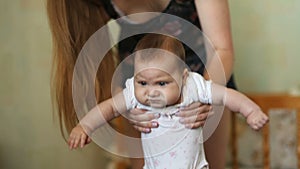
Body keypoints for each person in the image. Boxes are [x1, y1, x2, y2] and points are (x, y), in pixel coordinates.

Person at [47, 0, 235, 168]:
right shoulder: (96, 4)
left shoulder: (199, 87)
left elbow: (221, 48)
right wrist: (125, 102)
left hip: (206, 77)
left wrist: (202, 95)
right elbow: (100, 64)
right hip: (138, 90)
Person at [68, 34, 268, 169]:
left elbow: (225, 95)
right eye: (143, 82)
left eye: (162, 83)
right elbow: (109, 107)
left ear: (183, 76)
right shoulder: (134, 95)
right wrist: (84, 126)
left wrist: (250, 110)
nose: (151, 92)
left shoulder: (193, 87)